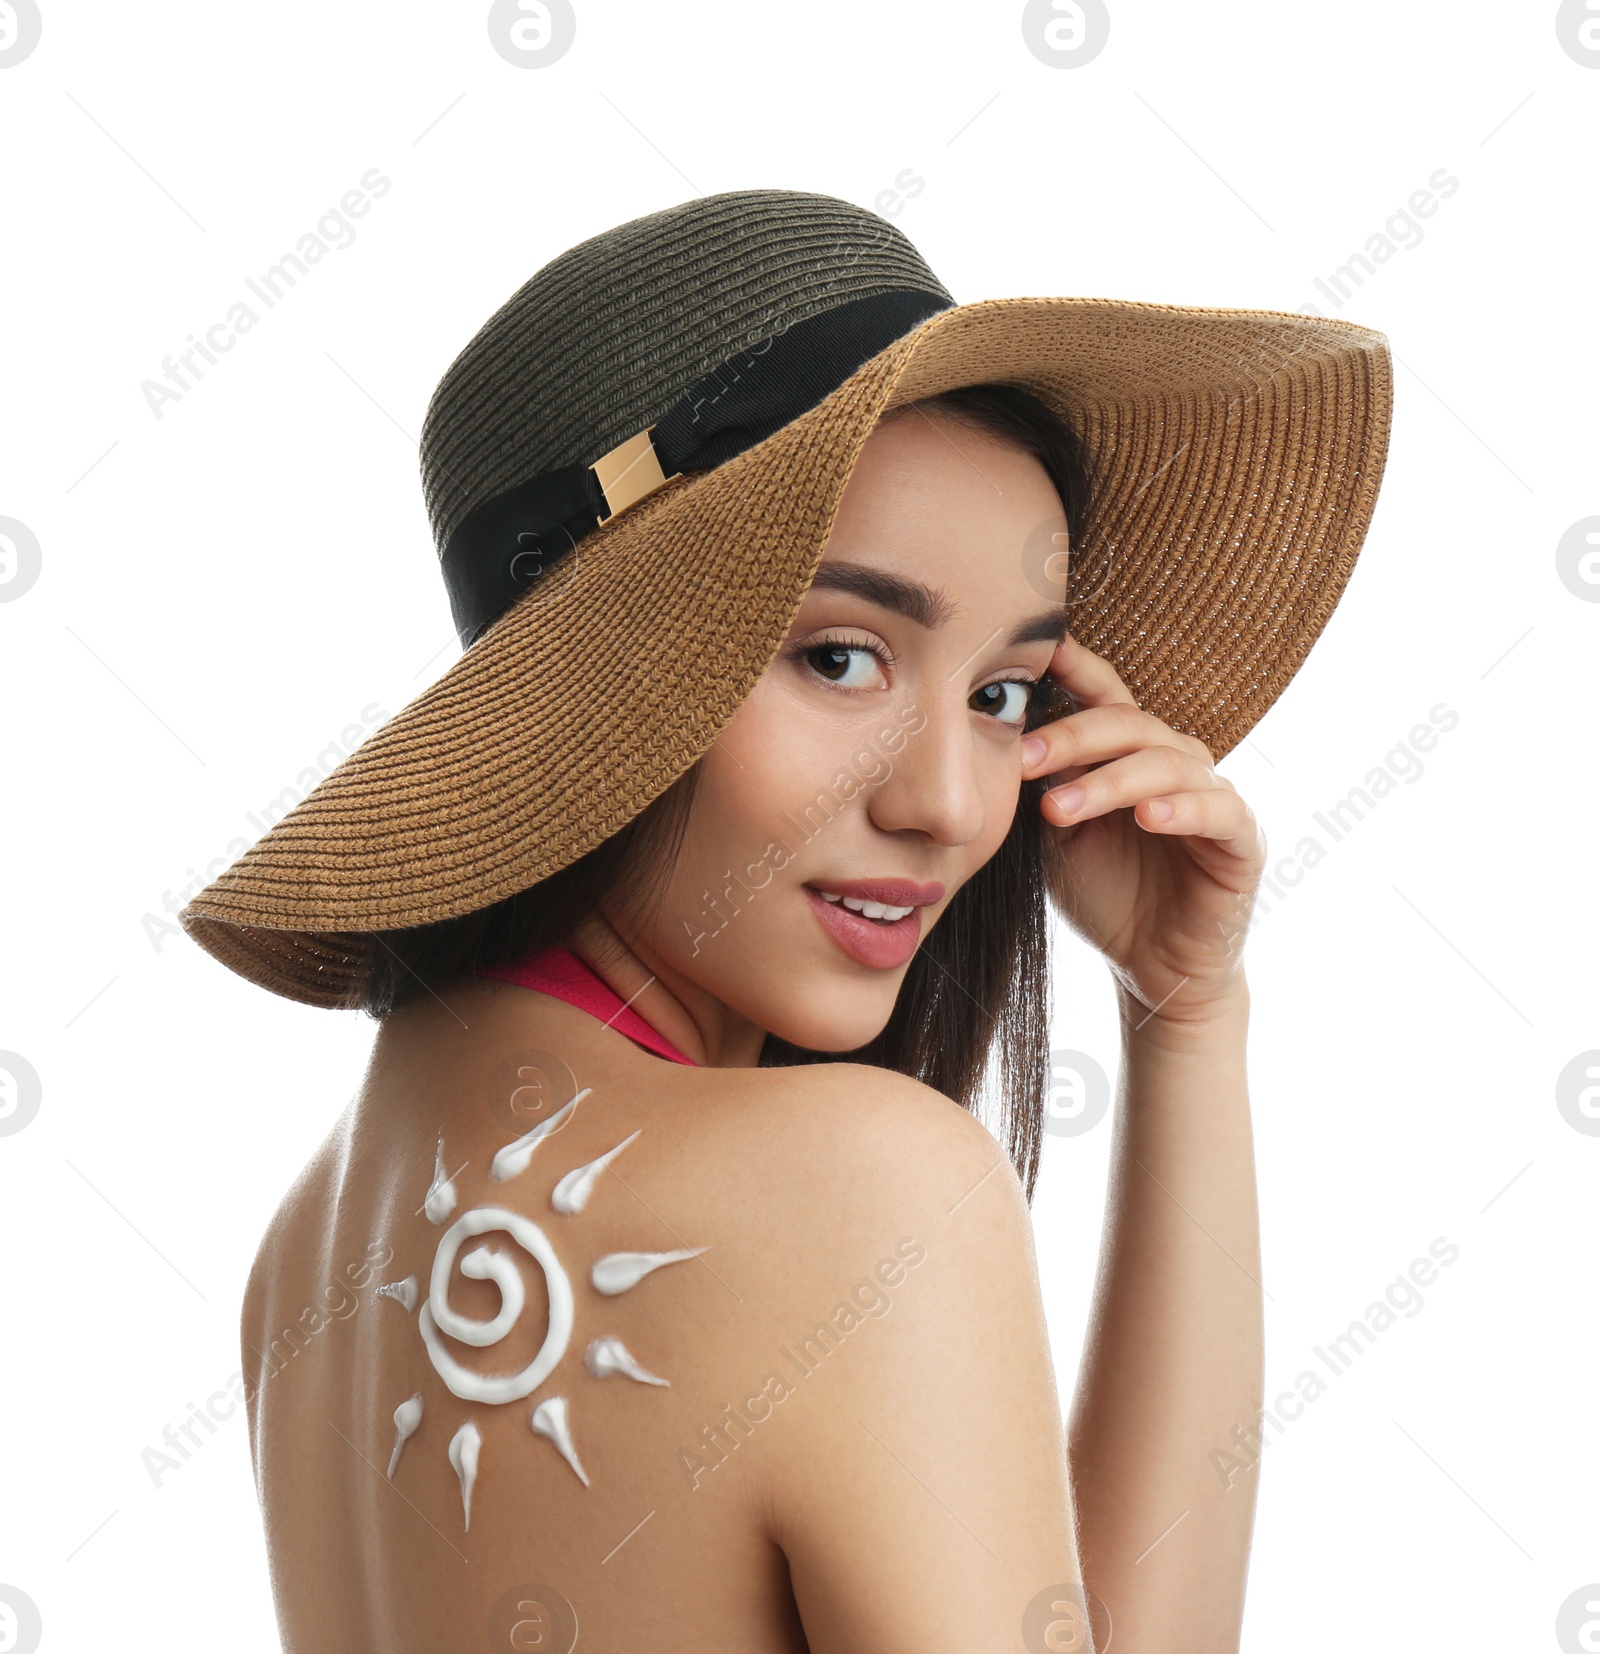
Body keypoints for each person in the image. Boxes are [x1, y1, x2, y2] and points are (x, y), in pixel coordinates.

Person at [182, 189, 1392, 1653]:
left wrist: (1185, 1009)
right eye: (839, 656)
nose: (953, 800)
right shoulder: (857, 1191)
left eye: (1003, 695)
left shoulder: (304, 1266)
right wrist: (1193, 1033)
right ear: (591, 677)